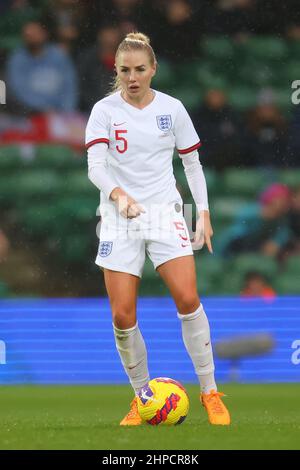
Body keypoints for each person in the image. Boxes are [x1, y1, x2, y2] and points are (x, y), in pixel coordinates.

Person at [85, 32, 230, 426]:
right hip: (118, 217)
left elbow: (192, 164)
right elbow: (95, 167)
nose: (132, 77)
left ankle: (210, 391)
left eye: (140, 69)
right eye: (124, 70)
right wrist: (118, 196)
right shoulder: (103, 111)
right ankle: (143, 396)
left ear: (153, 70)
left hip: (166, 213)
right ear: (115, 71)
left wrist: (202, 211)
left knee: (187, 298)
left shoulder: (173, 109)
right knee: (122, 315)